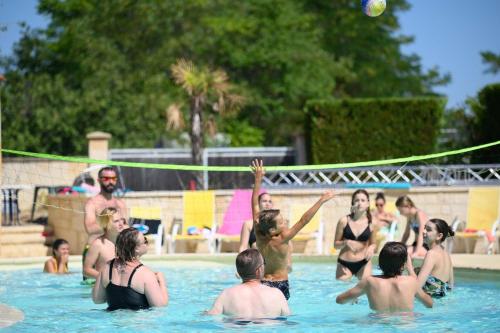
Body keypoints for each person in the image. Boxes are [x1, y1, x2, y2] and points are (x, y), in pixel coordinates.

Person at [251, 159, 336, 300]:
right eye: (282, 222)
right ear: (273, 231)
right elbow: (304, 220)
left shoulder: (259, 235)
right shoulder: (283, 238)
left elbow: (254, 203)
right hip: (280, 284)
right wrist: (321, 200)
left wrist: (258, 177)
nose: (285, 223)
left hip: (264, 283)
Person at [336, 242, 433, 313]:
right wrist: (410, 269)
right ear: (404, 264)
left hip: (378, 323)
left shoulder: (369, 282)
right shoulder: (411, 282)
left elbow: (339, 300)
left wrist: (353, 297)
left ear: (380, 262)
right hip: (405, 325)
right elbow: (429, 304)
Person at [92, 228, 168, 310]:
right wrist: (161, 281)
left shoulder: (107, 267)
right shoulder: (145, 274)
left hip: (113, 320)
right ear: (136, 248)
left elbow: (97, 300)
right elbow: (160, 306)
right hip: (137, 321)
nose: (147, 243)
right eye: (145, 240)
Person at [206, 249, 290, 317]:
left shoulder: (226, 294)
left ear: (238, 272)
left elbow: (211, 316)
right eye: (263, 263)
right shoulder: (276, 294)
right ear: (259, 270)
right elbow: (287, 318)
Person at [83, 166, 127, 281]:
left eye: (113, 178)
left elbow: (126, 227)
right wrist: (110, 225)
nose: (110, 181)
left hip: (115, 250)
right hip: (95, 252)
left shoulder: (120, 204)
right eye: (106, 178)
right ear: (99, 180)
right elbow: (89, 228)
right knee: (90, 294)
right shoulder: (92, 203)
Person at [334, 189, 377, 281]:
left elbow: (374, 243)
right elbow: (335, 245)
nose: (359, 203)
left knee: (365, 290)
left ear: (368, 203)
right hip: (344, 263)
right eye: (357, 200)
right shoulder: (344, 221)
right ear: (352, 203)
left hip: (364, 263)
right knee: (340, 289)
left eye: (363, 200)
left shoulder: (372, 223)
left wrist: (372, 248)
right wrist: (346, 242)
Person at [409, 218, 454, 298]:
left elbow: (417, 287)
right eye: (424, 228)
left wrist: (409, 268)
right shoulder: (446, 254)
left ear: (439, 236)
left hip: (431, 302)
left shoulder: (431, 254)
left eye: (428, 230)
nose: (423, 231)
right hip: (442, 301)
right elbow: (450, 286)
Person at [83, 207, 128, 279]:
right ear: (106, 224)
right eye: (116, 221)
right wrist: (107, 279)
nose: (121, 224)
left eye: (122, 220)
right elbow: (86, 270)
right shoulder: (98, 244)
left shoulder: (125, 243)